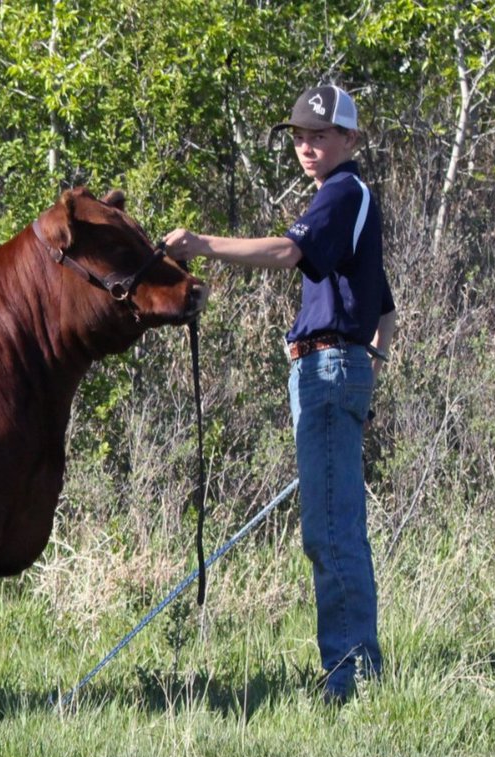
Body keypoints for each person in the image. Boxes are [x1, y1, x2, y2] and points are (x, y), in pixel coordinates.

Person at [162, 84, 397, 704]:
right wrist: (370, 365)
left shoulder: (343, 192)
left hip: (326, 369)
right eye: (299, 136)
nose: (307, 146)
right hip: (335, 371)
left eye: (320, 136)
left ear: (349, 140)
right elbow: (386, 307)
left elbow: (289, 250)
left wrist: (201, 245)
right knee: (336, 524)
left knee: (329, 530)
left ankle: (351, 682)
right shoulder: (352, 203)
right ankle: (358, 672)